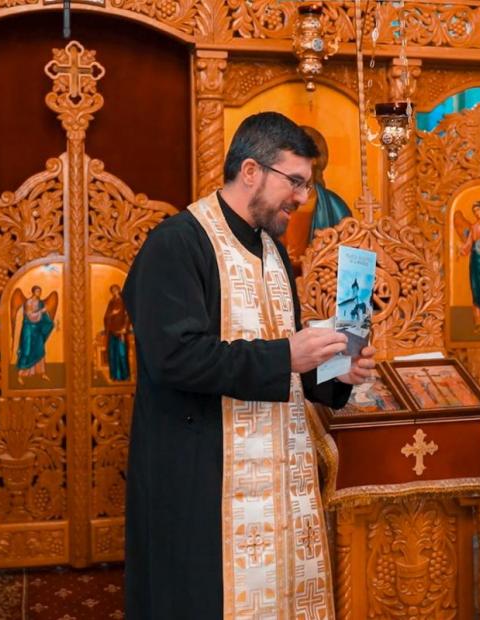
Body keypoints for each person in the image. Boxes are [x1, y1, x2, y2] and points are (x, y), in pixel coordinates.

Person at [123, 111, 375, 619]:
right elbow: (175, 358)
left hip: (280, 483)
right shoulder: (178, 243)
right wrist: (287, 355)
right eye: (295, 182)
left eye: (307, 184)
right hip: (206, 483)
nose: (303, 198)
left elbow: (287, 351)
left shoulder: (272, 250)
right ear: (252, 171)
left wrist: (335, 372)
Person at [280, 125, 351, 272]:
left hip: (322, 281)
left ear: (315, 159)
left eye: (300, 152)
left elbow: (348, 261)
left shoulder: (336, 207)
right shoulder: (273, 201)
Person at [15, 285, 55, 383]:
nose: (39, 293)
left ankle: (42, 373)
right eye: (37, 291)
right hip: (28, 329)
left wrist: (49, 322)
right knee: (27, 350)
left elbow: (44, 318)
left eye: (40, 292)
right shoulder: (28, 302)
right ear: (33, 292)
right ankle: (20, 374)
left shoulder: (40, 303)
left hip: (37, 330)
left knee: (39, 349)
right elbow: (30, 316)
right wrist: (41, 311)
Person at [103, 284, 130, 381]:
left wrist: (125, 328)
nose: (114, 292)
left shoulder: (124, 301)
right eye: (112, 290)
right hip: (112, 331)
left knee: (122, 354)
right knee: (112, 353)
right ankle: (114, 376)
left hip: (121, 332)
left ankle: (125, 376)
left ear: (119, 290)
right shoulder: (111, 302)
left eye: (116, 290)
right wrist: (112, 314)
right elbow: (106, 317)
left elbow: (127, 316)